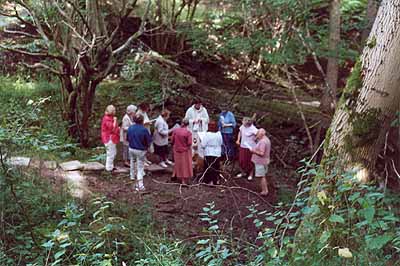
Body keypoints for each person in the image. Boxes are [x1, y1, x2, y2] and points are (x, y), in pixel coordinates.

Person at [127, 114, 153, 191]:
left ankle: (132, 178)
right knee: (140, 167)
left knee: (132, 163)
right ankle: (140, 185)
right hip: (140, 150)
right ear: (142, 121)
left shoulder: (130, 128)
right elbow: (148, 141)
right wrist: (147, 148)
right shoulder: (144, 130)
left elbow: (127, 138)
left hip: (131, 148)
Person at [171, 118, 193, 185]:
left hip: (177, 150)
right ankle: (185, 180)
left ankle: (177, 176)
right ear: (188, 124)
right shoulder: (188, 133)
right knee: (185, 165)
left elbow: (172, 140)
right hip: (185, 151)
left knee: (178, 164)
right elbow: (189, 143)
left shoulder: (175, 131)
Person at [250, 129, 271, 196]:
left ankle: (264, 191)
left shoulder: (263, 142)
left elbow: (261, 153)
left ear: (261, 134)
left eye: (258, 134)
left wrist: (253, 151)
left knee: (261, 176)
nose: (257, 135)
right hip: (264, 161)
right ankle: (264, 189)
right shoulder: (266, 139)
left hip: (261, 162)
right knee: (262, 176)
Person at [101, 105, 120, 172]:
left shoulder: (110, 117)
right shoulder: (107, 118)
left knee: (114, 152)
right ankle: (108, 168)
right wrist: (115, 121)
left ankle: (111, 166)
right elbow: (111, 128)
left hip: (112, 138)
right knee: (110, 153)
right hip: (109, 138)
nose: (115, 111)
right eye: (114, 110)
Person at [137, 102, 153, 166]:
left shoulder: (144, 113)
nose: (148, 109)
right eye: (147, 107)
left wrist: (149, 122)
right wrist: (146, 123)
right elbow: (138, 123)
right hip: (141, 131)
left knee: (146, 146)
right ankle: (142, 160)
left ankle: (145, 159)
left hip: (146, 130)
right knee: (142, 146)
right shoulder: (138, 113)